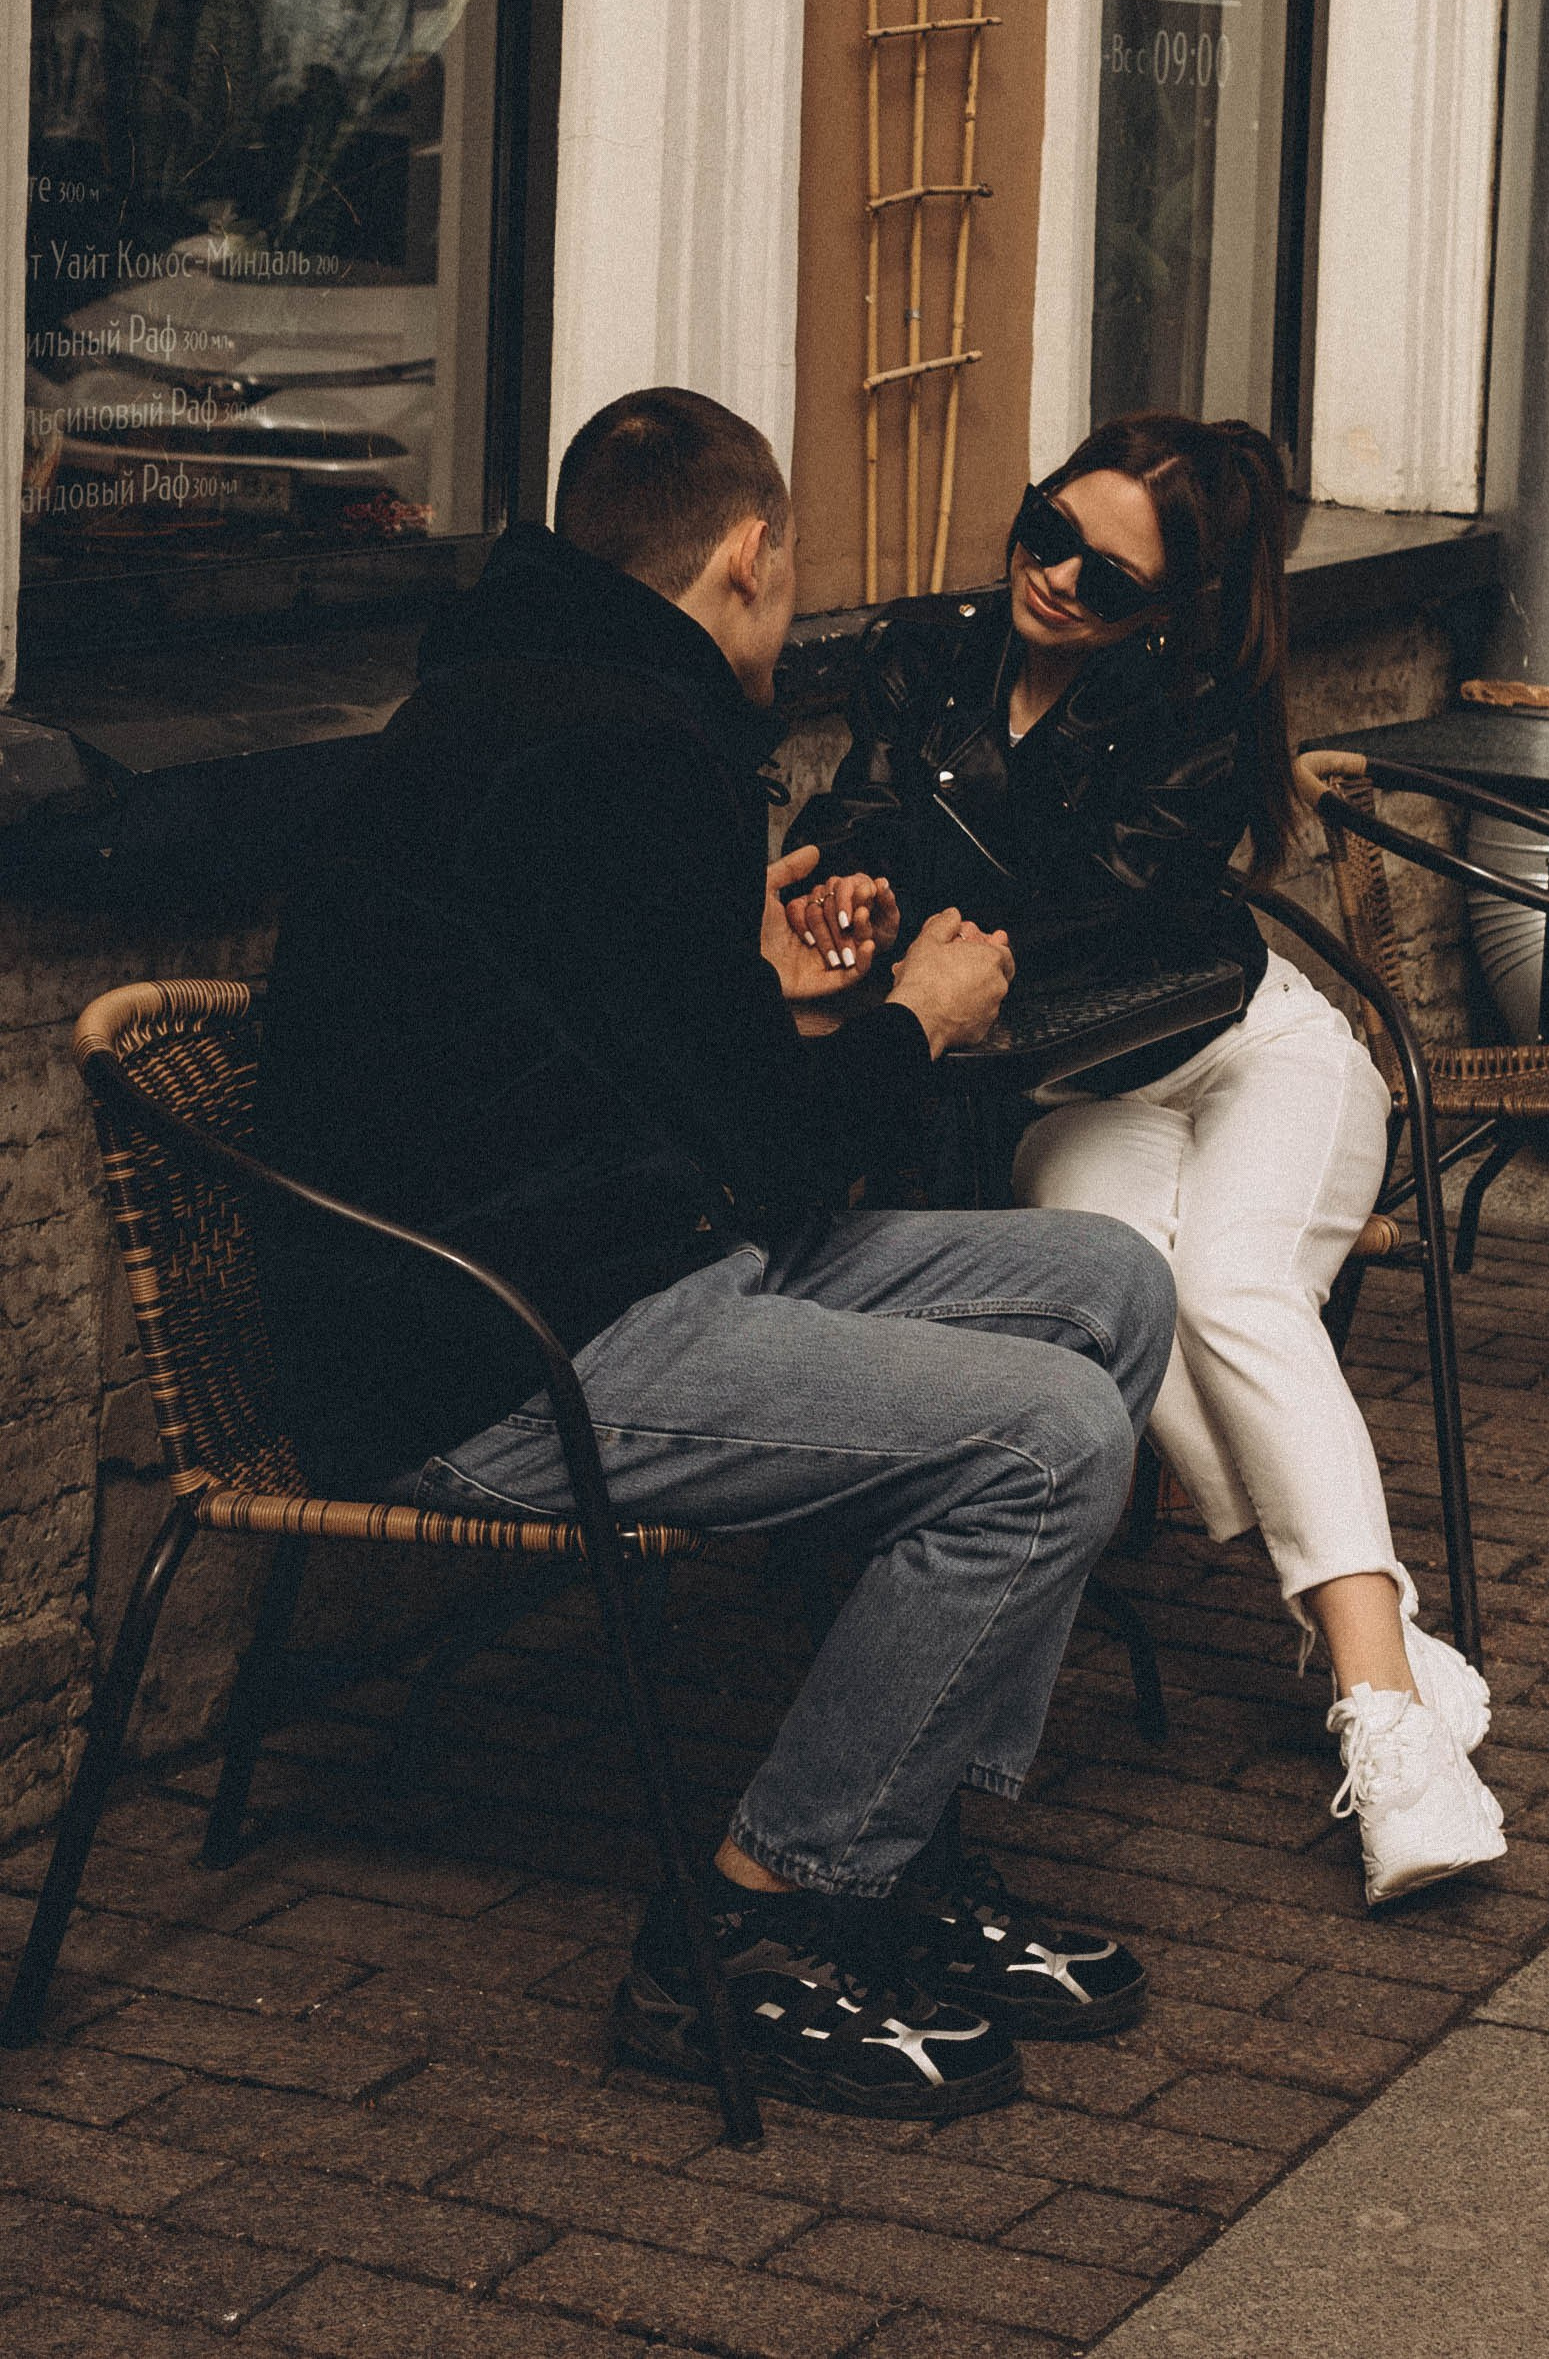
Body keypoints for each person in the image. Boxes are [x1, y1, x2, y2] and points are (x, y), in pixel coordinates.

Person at [255, 386, 1177, 2120]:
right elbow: (767, 1138)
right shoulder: (631, 747)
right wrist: (912, 1015)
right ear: (745, 554)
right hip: (512, 1345)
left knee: (1107, 1283)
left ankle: (896, 1845)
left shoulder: (543, 705)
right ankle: (749, 1927)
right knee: (1050, 1436)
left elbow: (648, 1056)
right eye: (793, 562)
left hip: (619, 1256)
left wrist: (782, 981)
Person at [789, 413, 1505, 1905]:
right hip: (1077, 1091)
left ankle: (1384, 1726)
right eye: (1045, 531)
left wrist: (921, 886)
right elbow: (865, 802)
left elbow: (1073, 909)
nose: (1052, 581)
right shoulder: (929, 655)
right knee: (1132, 1297)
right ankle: (1389, 1634)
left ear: (1169, 609)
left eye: (1105, 580)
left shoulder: (1191, 718)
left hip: (1255, 1057)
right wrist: (860, 861)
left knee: (1235, 1285)